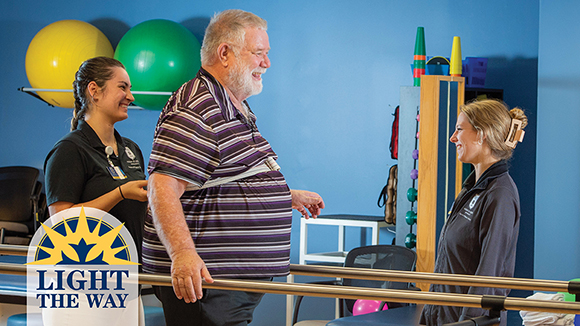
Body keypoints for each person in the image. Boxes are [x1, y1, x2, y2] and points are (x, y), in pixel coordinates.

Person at [142, 9, 325, 326]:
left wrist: (283, 195)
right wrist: (183, 254)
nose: (266, 64)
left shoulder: (232, 105)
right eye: (258, 54)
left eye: (266, 54)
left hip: (226, 285)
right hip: (205, 284)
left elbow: (224, 178)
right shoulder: (196, 106)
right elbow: (163, 187)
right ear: (224, 53)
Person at [43, 56, 148, 325]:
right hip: (81, 291)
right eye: (122, 87)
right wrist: (120, 193)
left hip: (127, 284)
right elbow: (59, 222)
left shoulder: (131, 150)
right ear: (94, 91)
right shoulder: (69, 150)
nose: (130, 96)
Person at [420, 99, 527, 326]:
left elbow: (488, 274)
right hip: (443, 317)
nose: (453, 138)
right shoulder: (472, 188)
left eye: (459, 129)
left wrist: (468, 323)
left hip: (467, 322)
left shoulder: (500, 194)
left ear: (482, 134)